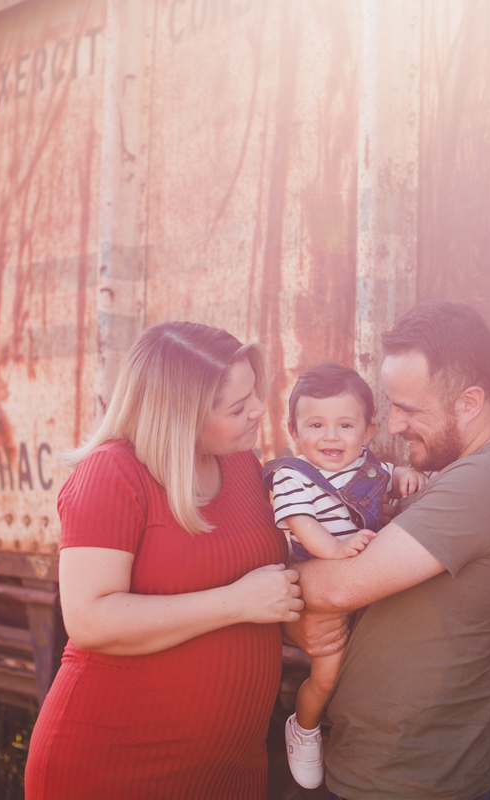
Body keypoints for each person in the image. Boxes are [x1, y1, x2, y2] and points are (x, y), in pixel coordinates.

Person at [24, 321, 305, 800]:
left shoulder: (241, 463)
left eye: (254, 394)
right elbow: (89, 619)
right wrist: (237, 603)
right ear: (181, 416)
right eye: (238, 406)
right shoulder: (113, 472)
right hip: (114, 768)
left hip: (230, 770)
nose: (259, 409)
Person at [287, 301, 490, 800]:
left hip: (414, 782)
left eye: (409, 409)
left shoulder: (485, 481)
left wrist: (273, 587)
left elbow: (339, 589)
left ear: (469, 403)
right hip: (383, 768)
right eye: (391, 406)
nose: (394, 425)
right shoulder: (456, 476)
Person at [260, 362, 427, 788]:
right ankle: (304, 726)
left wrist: (407, 476)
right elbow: (301, 524)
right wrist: (335, 550)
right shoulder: (292, 476)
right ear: (295, 431)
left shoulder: (369, 467)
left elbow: (390, 476)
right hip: (324, 582)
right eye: (316, 425)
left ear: (368, 433)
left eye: (345, 425)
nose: (331, 437)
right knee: (327, 676)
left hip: (365, 587)